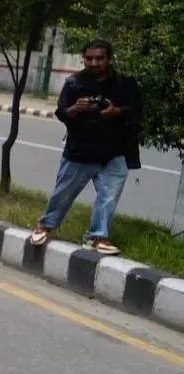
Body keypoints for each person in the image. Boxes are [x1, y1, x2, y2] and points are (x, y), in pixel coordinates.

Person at [29, 39, 142, 255]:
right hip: (81, 150)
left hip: (114, 151)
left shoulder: (124, 84)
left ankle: (97, 237)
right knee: (63, 192)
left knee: (108, 197)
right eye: (89, 58)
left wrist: (114, 111)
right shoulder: (74, 83)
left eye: (100, 58)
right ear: (84, 59)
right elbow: (62, 112)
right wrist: (74, 109)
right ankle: (45, 226)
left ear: (109, 59)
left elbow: (135, 109)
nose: (94, 63)